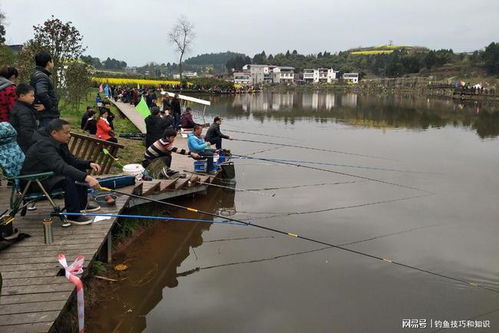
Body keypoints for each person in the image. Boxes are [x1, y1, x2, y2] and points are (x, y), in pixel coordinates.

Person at [21, 119, 101, 226]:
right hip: (34, 181)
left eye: (69, 132)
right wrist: (88, 178)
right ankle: (73, 215)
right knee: (67, 179)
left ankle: (82, 206)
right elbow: (60, 166)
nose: (69, 135)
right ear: (54, 133)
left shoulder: (60, 142)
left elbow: (71, 160)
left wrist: (88, 164)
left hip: (48, 175)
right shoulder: (43, 146)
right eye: (66, 133)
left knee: (79, 170)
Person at [30, 52, 59, 128]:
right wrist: (48, 106)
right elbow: (41, 92)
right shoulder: (42, 76)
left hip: (42, 115)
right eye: (52, 61)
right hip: (46, 116)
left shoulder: (36, 74)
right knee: (47, 138)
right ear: (48, 63)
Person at [9, 84, 38, 153]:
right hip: (24, 145)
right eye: (31, 96)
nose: (33, 98)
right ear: (22, 96)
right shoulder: (23, 111)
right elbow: (26, 132)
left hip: (20, 142)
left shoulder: (19, 107)